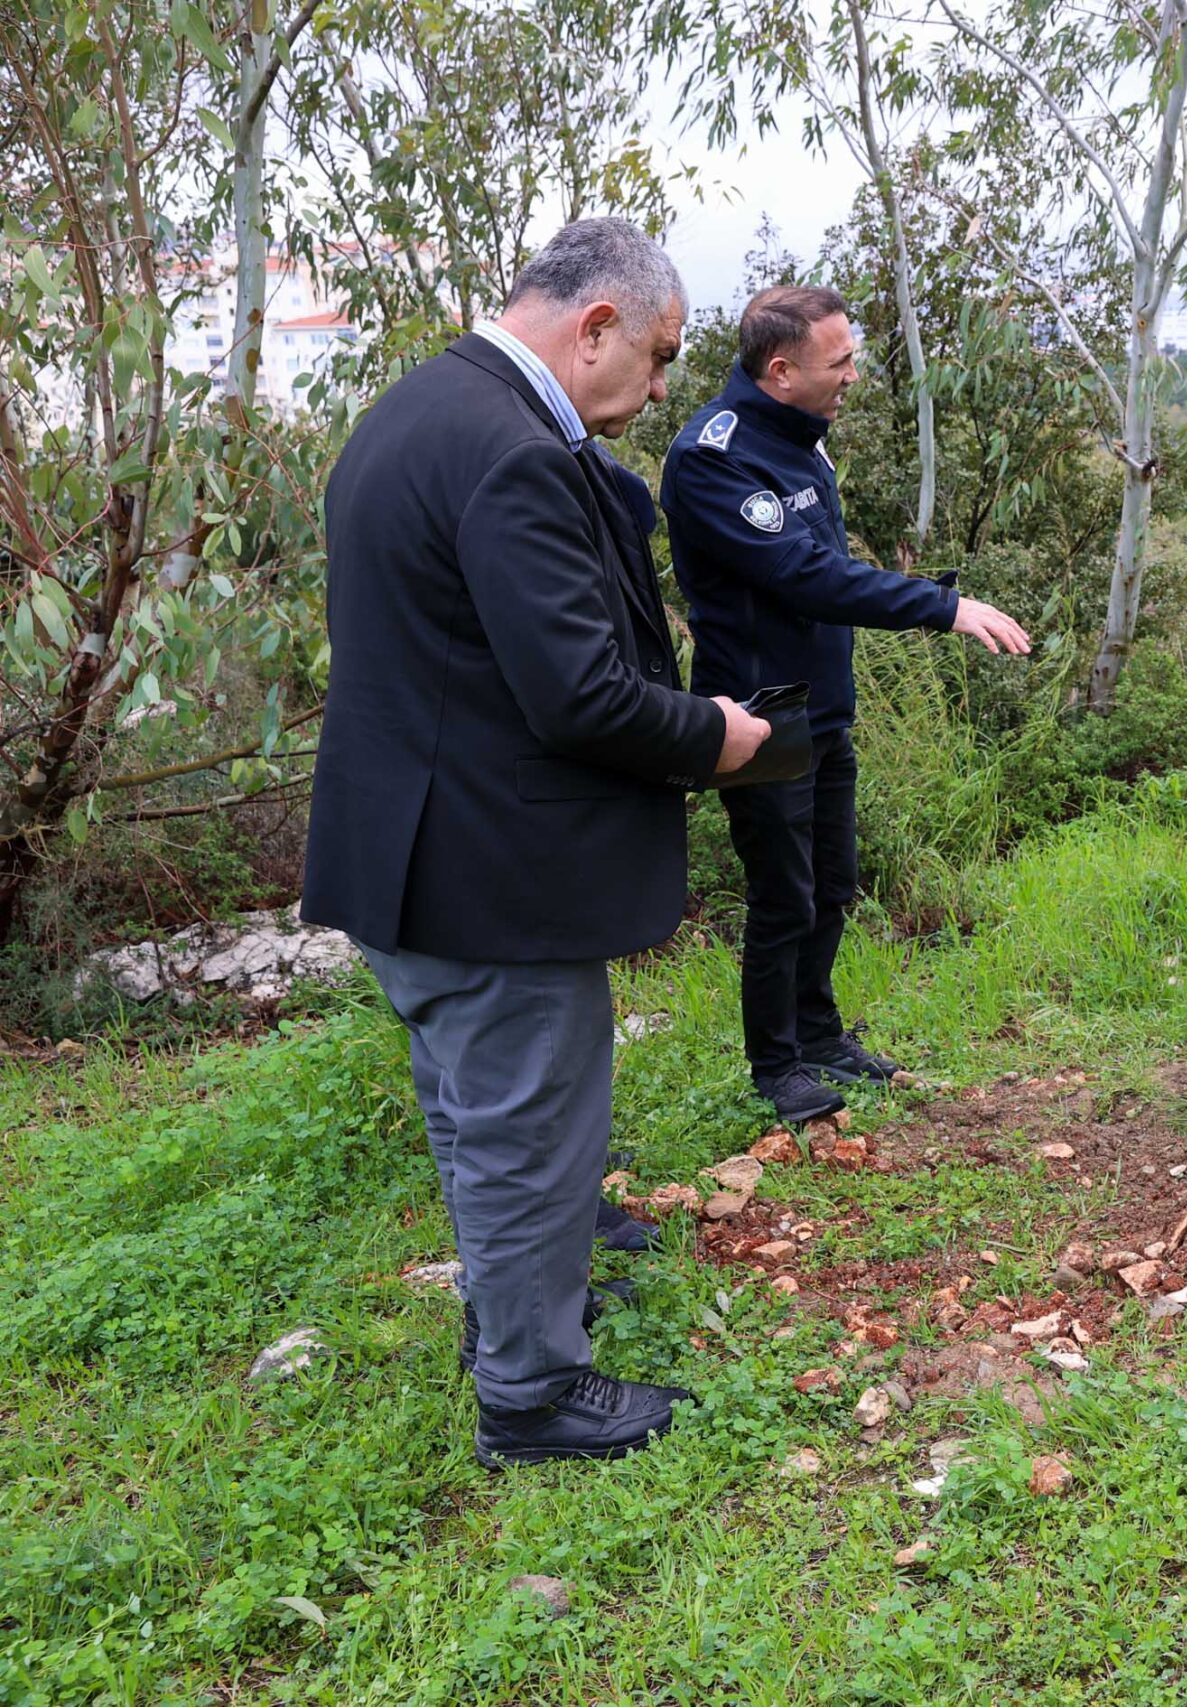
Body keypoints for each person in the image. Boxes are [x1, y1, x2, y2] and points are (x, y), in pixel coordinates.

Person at [303, 219, 772, 1467]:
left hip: (404, 849)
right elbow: (580, 697)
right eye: (660, 356)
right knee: (525, 1131)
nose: (662, 389)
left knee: (476, 1117)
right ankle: (532, 1395)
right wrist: (714, 735)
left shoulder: (414, 411)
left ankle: (512, 1315)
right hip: (488, 871)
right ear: (595, 325)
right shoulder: (511, 451)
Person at [661, 284, 1029, 1125]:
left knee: (833, 883)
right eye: (842, 361)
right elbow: (807, 575)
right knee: (783, 893)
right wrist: (942, 605)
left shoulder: (804, 439)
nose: (854, 375)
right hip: (761, 714)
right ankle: (776, 1064)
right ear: (781, 371)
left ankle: (821, 1036)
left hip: (826, 705)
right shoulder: (715, 459)